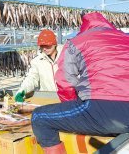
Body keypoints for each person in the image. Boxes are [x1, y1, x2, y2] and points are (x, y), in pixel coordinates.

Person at [31, 12, 129, 154]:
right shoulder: (125, 38)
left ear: (84, 26)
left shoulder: (77, 41)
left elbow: (65, 81)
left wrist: (72, 105)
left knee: (39, 117)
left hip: (103, 109)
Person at [14, 29, 62, 102]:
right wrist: (22, 90)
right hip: (49, 99)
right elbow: (32, 78)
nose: (44, 48)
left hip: (68, 98)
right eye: (42, 46)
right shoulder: (37, 61)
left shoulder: (66, 55)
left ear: (54, 44)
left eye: (47, 45)